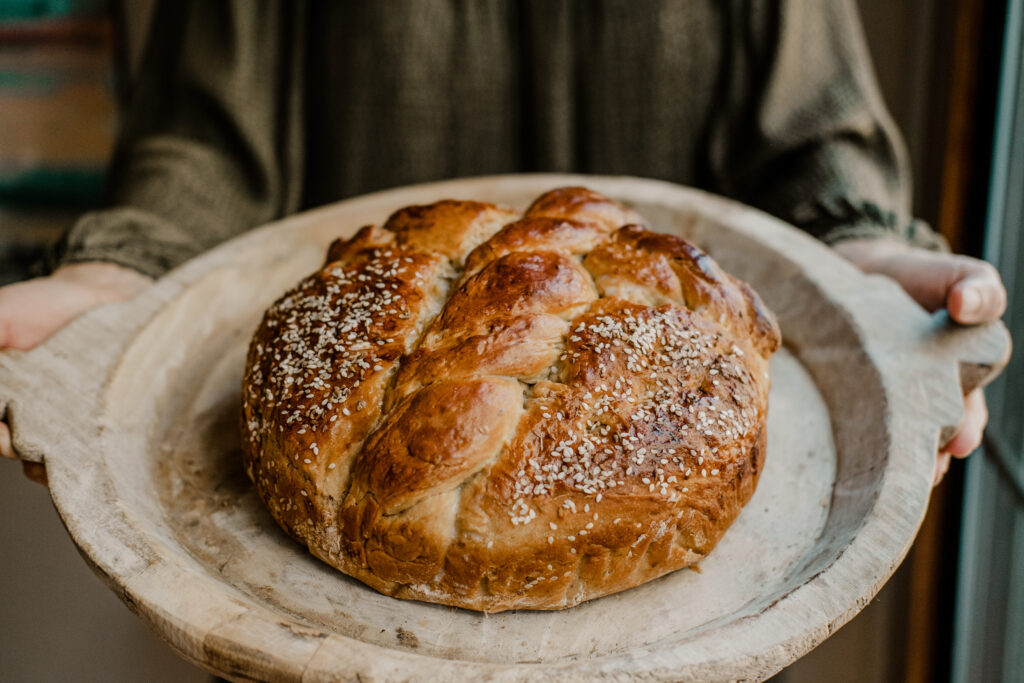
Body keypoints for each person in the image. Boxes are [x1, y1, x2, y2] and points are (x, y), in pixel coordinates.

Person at [0, 1, 1006, 485]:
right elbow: (207, 137)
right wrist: (118, 270)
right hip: (329, 590)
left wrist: (862, 257)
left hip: (683, 598)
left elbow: (812, 137)